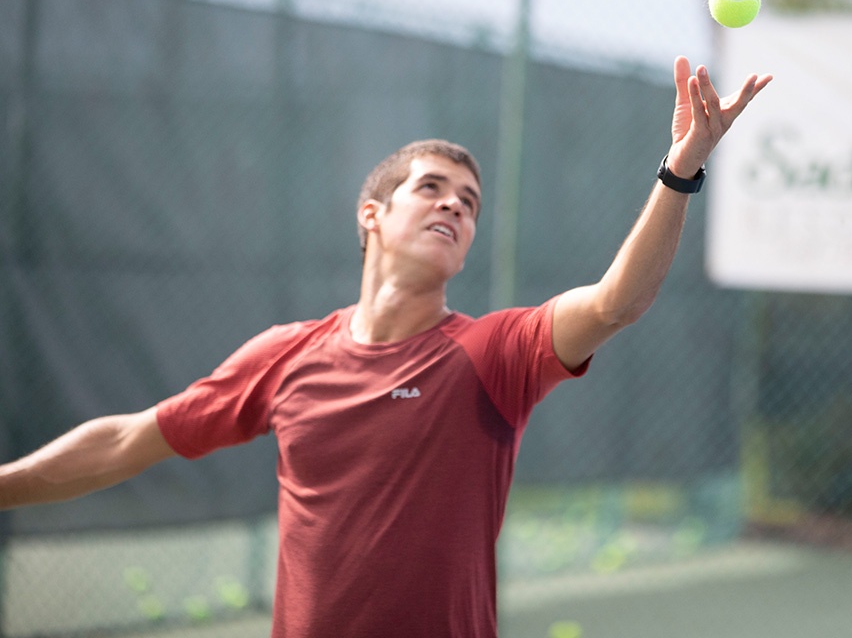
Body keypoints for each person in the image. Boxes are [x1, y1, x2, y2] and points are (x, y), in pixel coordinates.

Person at [0, 56, 772, 638]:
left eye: (468, 203)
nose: (453, 206)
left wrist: (682, 170)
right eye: (432, 188)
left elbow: (616, 302)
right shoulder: (287, 355)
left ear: (466, 246)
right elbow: (130, 440)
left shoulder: (491, 354)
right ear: (372, 215)